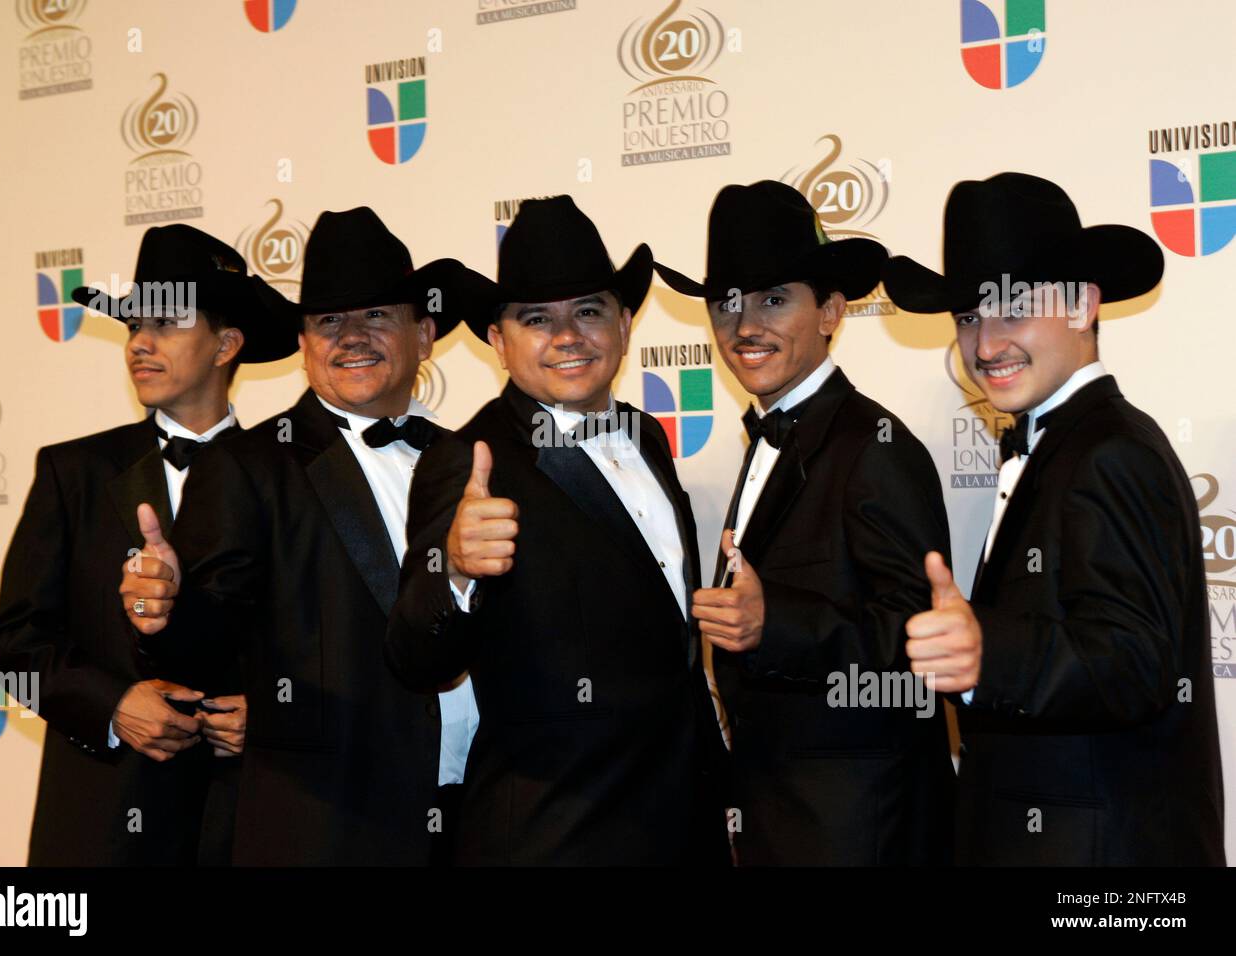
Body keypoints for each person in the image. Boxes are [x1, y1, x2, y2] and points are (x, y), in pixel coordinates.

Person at [121, 207, 482, 865]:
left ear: (424, 334)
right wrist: (165, 609)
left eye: (377, 315)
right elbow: (207, 642)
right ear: (305, 342)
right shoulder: (248, 466)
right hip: (329, 825)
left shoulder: (476, 463)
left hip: (478, 817)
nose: (352, 337)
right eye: (328, 321)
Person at [884, 171, 1225, 865]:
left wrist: (990, 654)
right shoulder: (1065, 443)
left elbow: (1136, 663)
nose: (985, 346)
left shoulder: (1110, 453)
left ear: (1082, 305)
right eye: (969, 318)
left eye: (1013, 309)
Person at [386, 196, 729, 865]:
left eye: (589, 312)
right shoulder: (469, 459)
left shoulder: (645, 435)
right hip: (557, 834)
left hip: (685, 821)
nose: (568, 336)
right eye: (537, 318)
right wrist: (453, 571)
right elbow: (415, 656)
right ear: (498, 340)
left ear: (624, 325)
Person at [656, 180, 955, 864]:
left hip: (863, 831)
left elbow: (919, 641)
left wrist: (777, 622)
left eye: (773, 299)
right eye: (726, 303)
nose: (744, 325)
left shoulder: (876, 447)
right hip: (777, 820)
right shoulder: (772, 436)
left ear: (830, 311)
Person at [0, 224, 293, 865]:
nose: (140, 344)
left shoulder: (290, 477)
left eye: (166, 323)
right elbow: (15, 648)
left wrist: (273, 715)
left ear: (226, 345)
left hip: (248, 821)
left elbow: (323, 646)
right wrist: (114, 704)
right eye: (133, 326)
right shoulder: (74, 473)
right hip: (104, 825)